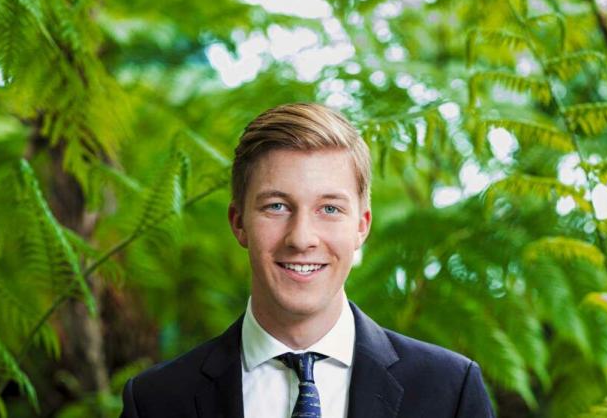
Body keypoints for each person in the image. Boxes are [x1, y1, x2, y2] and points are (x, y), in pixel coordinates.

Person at [121, 103, 495, 418]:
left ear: (361, 226)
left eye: (329, 208)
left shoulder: (450, 392)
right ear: (239, 223)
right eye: (277, 206)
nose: (301, 238)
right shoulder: (155, 401)